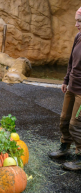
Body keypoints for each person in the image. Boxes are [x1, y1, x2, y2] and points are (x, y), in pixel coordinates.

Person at [49, 7, 81, 170]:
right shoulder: (78, 37)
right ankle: (65, 147)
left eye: (80, 21)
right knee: (64, 119)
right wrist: (66, 79)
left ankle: (80, 156)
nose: (76, 24)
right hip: (72, 86)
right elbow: (71, 61)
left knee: (76, 124)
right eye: (76, 20)